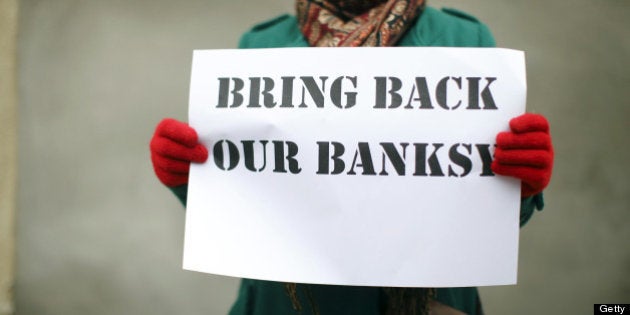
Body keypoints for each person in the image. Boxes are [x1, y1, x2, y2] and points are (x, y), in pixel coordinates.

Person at [149, 0, 554, 314]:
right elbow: (252, 205)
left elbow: (475, 218)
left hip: (430, 299)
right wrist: (191, 177)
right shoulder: (259, 46)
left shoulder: (464, 39)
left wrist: (517, 186)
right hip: (284, 303)